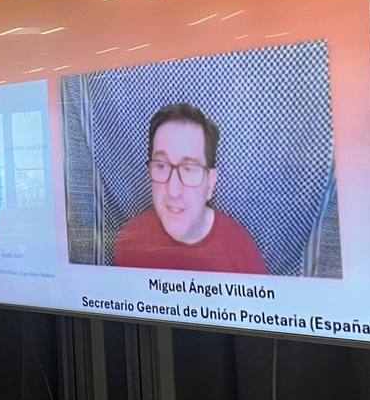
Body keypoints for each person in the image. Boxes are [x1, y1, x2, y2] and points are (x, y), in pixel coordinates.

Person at [114, 103, 267, 274]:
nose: (173, 191)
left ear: (210, 182)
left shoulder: (243, 256)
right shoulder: (129, 241)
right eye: (162, 166)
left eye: (188, 169)